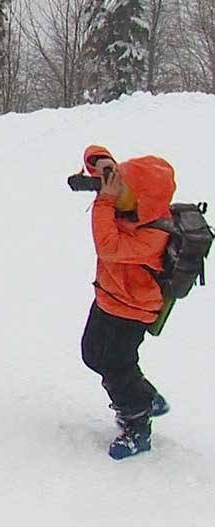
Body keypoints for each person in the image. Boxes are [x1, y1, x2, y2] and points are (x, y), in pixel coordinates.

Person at [79, 145, 175, 459]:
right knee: (93, 354)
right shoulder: (125, 205)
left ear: (142, 200)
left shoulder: (153, 235)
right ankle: (146, 395)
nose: (113, 187)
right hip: (108, 298)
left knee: (116, 366)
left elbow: (108, 246)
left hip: (133, 311)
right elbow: (93, 155)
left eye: (122, 186)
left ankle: (137, 422)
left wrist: (105, 201)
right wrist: (100, 161)